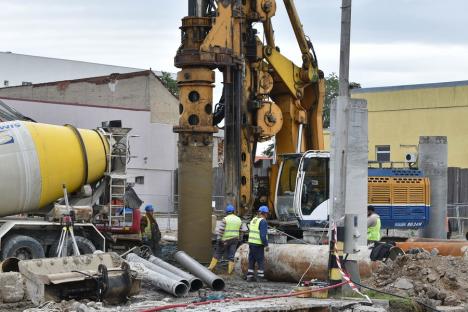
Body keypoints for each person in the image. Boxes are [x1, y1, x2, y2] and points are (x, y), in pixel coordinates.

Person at [208, 204, 242, 274]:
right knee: (231, 256)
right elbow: (241, 230)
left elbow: (221, 231)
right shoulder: (238, 219)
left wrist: (219, 240)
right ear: (233, 211)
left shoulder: (225, 219)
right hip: (234, 240)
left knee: (218, 253)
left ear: (227, 212)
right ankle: (229, 272)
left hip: (224, 240)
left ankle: (210, 268)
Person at [246, 205, 269, 282]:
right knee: (260, 260)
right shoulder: (263, 221)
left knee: (251, 259)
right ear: (264, 213)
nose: (267, 215)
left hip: (251, 243)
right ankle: (260, 277)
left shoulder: (254, 219)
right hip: (258, 244)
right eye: (267, 214)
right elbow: (262, 236)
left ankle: (250, 276)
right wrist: (266, 245)